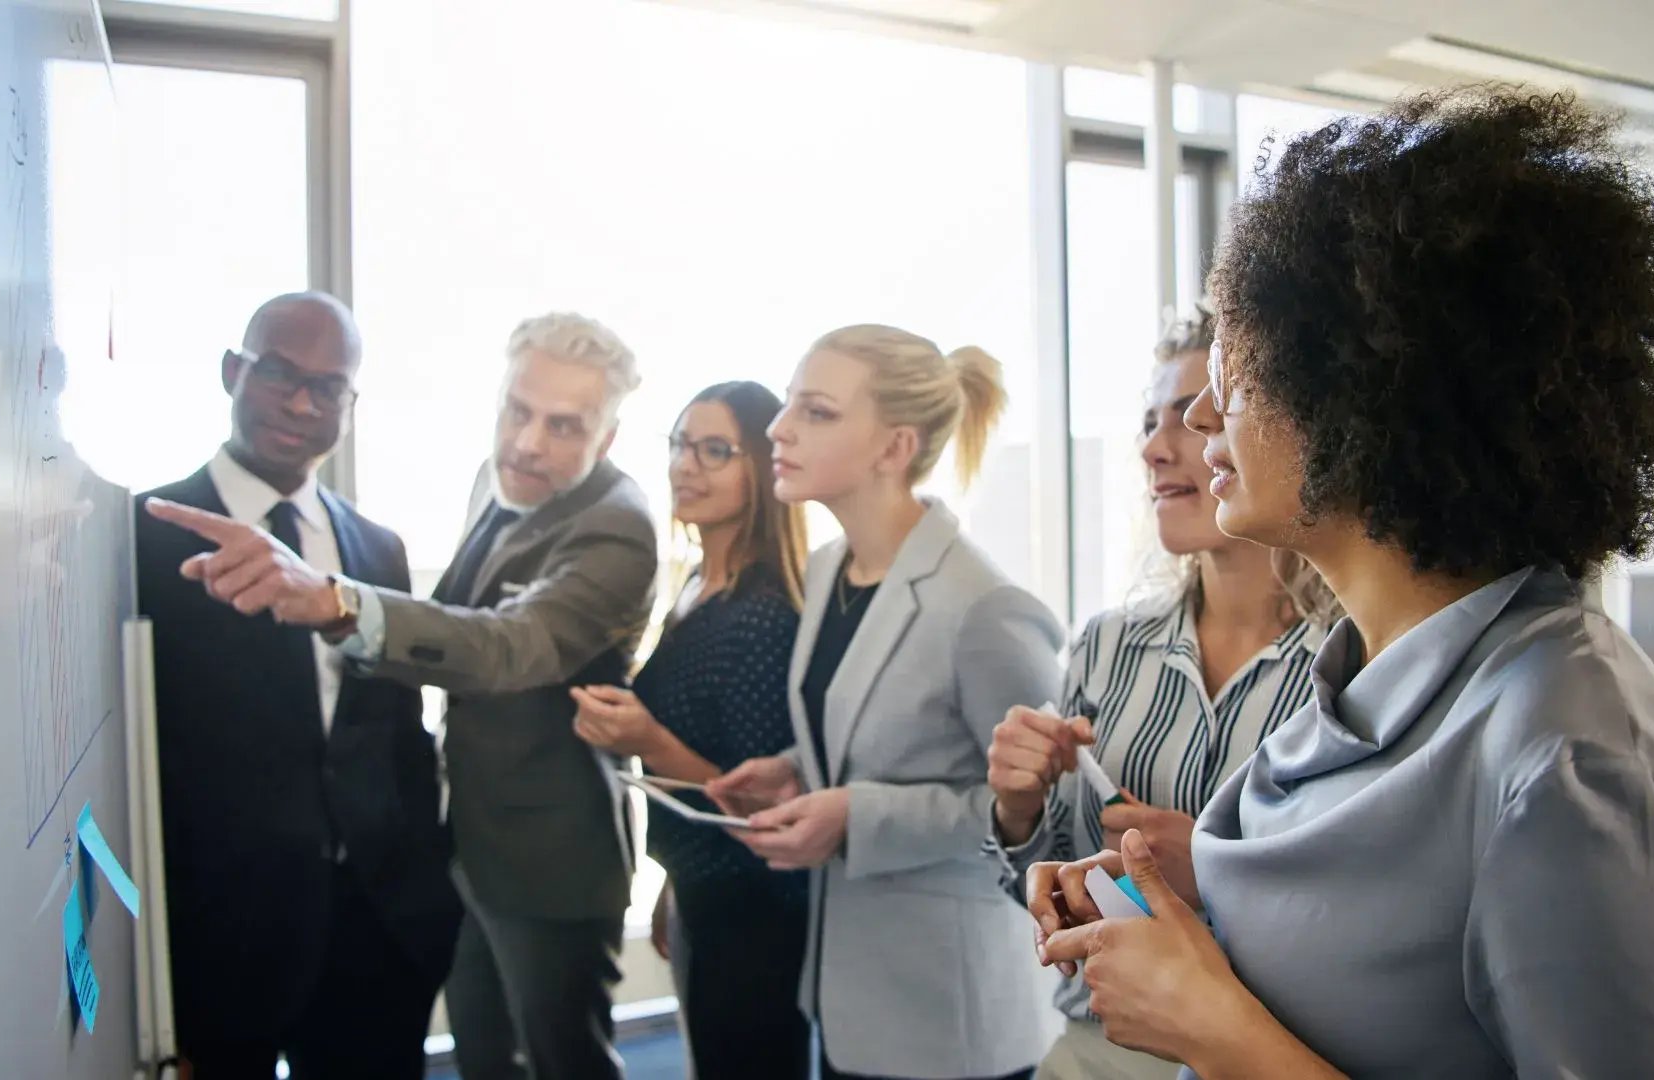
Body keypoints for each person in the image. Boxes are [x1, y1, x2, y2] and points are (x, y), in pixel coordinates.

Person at [1029, 88, 1654, 1078]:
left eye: (1236, 375)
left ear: (1365, 387)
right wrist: (1205, 889)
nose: (1199, 417)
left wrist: (1217, 1028)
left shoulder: (1575, 763)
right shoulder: (1362, 681)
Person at [147, 312, 659, 1080]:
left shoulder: (616, 529)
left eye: (564, 426)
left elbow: (507, 644)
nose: (527, 443)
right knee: (488, 1059)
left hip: (548, 855)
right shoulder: (498, 481)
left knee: (564, 1063)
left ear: (607, 438)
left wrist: (338, 604)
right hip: (449, 857)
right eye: (518, 411)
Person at [983, 309, 1336, 1080]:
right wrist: (1017, 814)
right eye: (1150, 421)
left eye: (1192, 414)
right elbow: (1049, 890)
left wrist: (1214, 873)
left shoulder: (1357, 663)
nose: (1155, 446)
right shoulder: (1106, 646)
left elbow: (1371, 918)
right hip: (1097, 1052)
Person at [708, 325, 1062, 1080]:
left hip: (949, 1017)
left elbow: (1043, 816)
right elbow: (876, 735)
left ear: (894, 448)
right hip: (849, 995)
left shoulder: (983, 605)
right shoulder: (832, 566)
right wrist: (794, 770)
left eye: (817, 411)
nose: (779, 427)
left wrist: (854, 816)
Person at [134, 292, 460, 1079]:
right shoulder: (140, 538)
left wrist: (425, 895)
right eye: (280, 373)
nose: (303, 402)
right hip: (218, 939)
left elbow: (396, 731)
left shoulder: (375, 549)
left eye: (330, 387)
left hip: (376, 930)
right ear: (232, 372)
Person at [570, 381, 813, 1080]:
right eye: (680, 444)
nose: (686, 465)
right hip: (705, 889)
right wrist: (674, 884)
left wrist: (644, 737)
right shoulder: (697, 585)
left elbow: (763, 803)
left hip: (756, 913)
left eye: (715, 450)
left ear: (763, 471)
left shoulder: (764, 612)